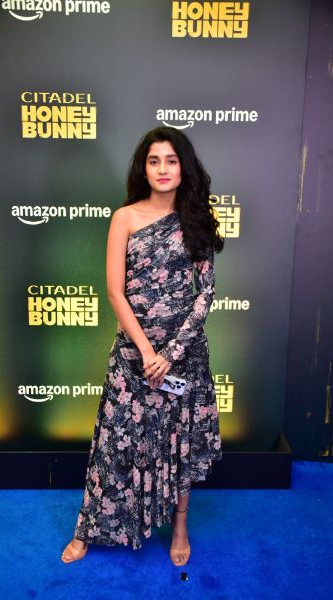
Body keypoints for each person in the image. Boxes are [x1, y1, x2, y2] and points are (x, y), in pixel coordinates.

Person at [61, 127, 223, 567]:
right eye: (154, 161)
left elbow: (206, 293)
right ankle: (88, 528)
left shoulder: (197, 219)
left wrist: (171, 352)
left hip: (184, 355)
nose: (163, 169)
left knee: (180, 443)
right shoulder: (125, 218)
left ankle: (180, 528)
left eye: (171, 160)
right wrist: (148, 352)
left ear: (183, 167)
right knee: (114, 442)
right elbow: (116, 292)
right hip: (135, 355)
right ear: (144, 169)